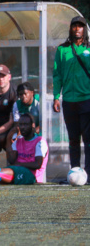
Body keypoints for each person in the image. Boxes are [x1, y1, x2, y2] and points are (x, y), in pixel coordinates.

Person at [53, 16, 90, 182]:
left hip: (87, 99)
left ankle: (88, 175)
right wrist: (56, 96)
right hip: (69, 100)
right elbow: (57, 75)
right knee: (73, 139)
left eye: (80, 26)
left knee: (88, 139)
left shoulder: (89, 48)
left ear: (85, 29)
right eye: (74, 26)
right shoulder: (62, 50)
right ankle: (74, 173)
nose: (77, 29)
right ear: (70, 29)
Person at [6, 82, 40, 150]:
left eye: (25, 94)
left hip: (39, 130)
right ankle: (13, 158)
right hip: (25, 130)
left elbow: (45, 122)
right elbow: (17, 123)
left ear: (32, 93)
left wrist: (33, 132)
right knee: (11, 137)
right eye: (21, 94)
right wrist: (19, 135)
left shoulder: (39, 101)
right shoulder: (17, 104)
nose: (23, 97)